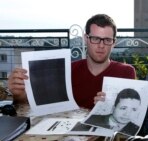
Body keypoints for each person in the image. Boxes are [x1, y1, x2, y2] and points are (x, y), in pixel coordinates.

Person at [7, 14, 136, 109]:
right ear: (85, 39)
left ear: (114, 43)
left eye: (107, 40)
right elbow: (38, 108)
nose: (101, 45)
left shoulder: (125, 72)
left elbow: (132, 119)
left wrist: (113, 108)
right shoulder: (67, 71)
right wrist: (20, 95)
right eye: (95, 39)